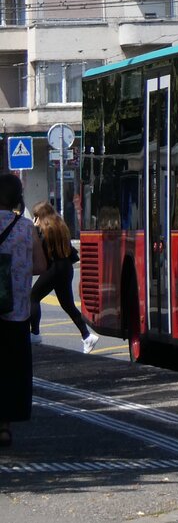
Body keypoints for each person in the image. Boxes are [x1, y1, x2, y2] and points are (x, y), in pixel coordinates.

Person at [0, 173, 47, 447]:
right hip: (16, 312)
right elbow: (41, 266)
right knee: (9, 370)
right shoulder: (26, 227)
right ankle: (4, 426)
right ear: (18, 198)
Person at [28, 203, 99, 353]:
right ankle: (87, 336)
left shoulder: (46, 230)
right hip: (66, 268)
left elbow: (39, 249)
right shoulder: (60, 225)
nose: (35, 220)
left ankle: (35, 333)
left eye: (36, 217)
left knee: (33, 297)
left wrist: (34, 230)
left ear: (41, 216)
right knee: (68, 305)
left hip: (53, 268)